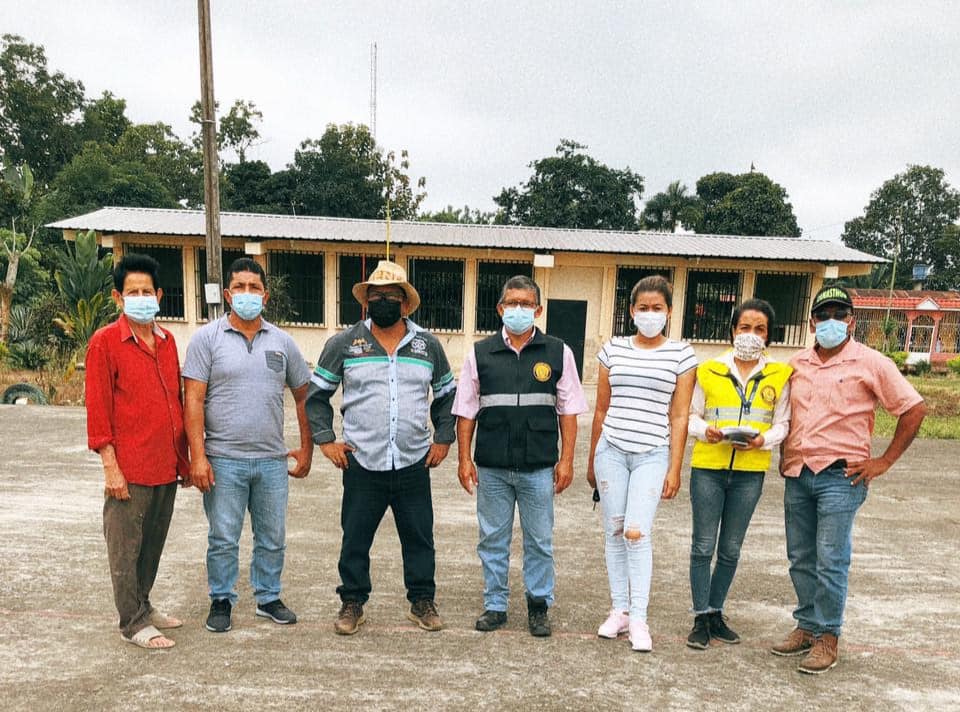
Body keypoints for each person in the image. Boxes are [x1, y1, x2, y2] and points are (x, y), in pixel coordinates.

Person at [771, 285, 926, 674]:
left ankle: (828, 636)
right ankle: (807, 624)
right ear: (811, 322)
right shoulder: (797, 364)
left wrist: (884, 461)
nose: (831, 322)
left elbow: (913, 408)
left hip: (841, 477)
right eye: (823, 315)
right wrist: (783, 454)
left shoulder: (871, 362)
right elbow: (785, 415)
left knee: (831, 559)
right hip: (798, 473)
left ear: (851, 321)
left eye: (839, 315)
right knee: (800, 557)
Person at [306, 260, 456, 635]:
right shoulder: (344, 344)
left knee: (419, 537)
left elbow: (446, 397)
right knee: (355, 538)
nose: (383, 301)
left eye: (391, 296)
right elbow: (316, 396)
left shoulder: (427, 346)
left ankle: (422, 601)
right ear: (366, 302)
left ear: (405, 303)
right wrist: (325, 440)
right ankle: (352, 602)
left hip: (413, 461)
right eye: (376, 296)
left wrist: (443, 437)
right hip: (362, 462)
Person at [183, 257, 313, 633]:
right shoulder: (206, 340)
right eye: (239, 287)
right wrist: (198, 457)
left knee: (272, 537)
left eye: (254, 288)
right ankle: (221, 599)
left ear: (265, 296)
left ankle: (268, 597)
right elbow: (193, 400)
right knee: (223, 537)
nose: (247, 294)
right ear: (227, 294)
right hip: (223, 460)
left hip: (272, 460)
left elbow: (304, 397)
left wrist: (306, 448)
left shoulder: (283, 343)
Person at [454, 275, 588, 637]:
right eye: (512, 303)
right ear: (500, 309)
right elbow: (466, 410)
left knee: (540, 540)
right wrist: (464, 459)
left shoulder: (558, 352)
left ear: (538, 310)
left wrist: (567, 460)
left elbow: (569, 411)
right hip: (492, 466)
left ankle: (538, 606)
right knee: (492, 539)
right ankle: (495, 605)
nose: (518, 309)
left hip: (538, 467)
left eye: (526, 304)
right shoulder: (480, 354)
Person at [587, 275, 696, 652]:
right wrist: (592, 460)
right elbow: (601, 409)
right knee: (615, 530)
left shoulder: (682, 355)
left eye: (657, 308)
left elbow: (679, 416)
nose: (650, 314)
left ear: (669, 312)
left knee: (637, 532)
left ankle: (639, 618)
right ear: (631, 311)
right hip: (611, 451)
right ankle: (619, 610)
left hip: (652, 453)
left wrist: (675, 467)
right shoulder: (612, 349)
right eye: (643, 308)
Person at [85, 253, 189, 649]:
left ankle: (144, 604)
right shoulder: (105, 342)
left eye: (147, 291)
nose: (141, 298)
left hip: (165, 465)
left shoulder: (167, 341)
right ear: (118, 297)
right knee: (125, 549)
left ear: (159, 296)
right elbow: (98, 410)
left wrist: (183, 459)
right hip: (129, 468)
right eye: (133, 292)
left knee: (152, 544)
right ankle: (132, 622)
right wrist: (110, 467)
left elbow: (175, 401)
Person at [685, 299, 792, 649]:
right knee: (703, 546)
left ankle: (716, 611)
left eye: (759, 329)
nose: (751, 335)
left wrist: (763, 441)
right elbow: (690, 415)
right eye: (744, 327)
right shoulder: (708, 370)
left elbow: (783, 423)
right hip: (708, 468)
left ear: (769, 336)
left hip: (749, 472)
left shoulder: (781, 375)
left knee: (730, 549)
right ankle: (700, 617)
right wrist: (706, 432)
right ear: (732, 331)